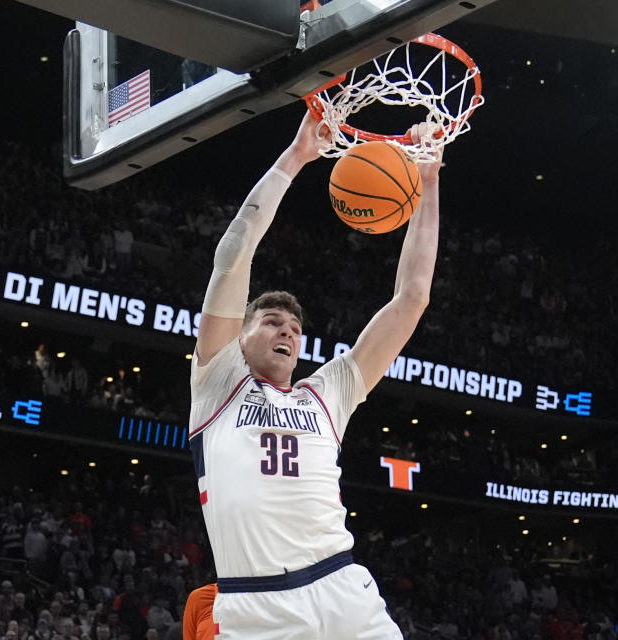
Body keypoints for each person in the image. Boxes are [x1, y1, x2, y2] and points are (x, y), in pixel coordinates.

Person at [188, 111, 442, 638]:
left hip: (342, 591)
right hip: (257, 609)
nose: (287, 332)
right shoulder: (218, 381)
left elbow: (412, 298)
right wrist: (298, 156)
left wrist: (428, 180)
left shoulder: (327, 394)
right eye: (272, 321)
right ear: (240, 335)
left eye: (295, 328)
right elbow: (233, 254)